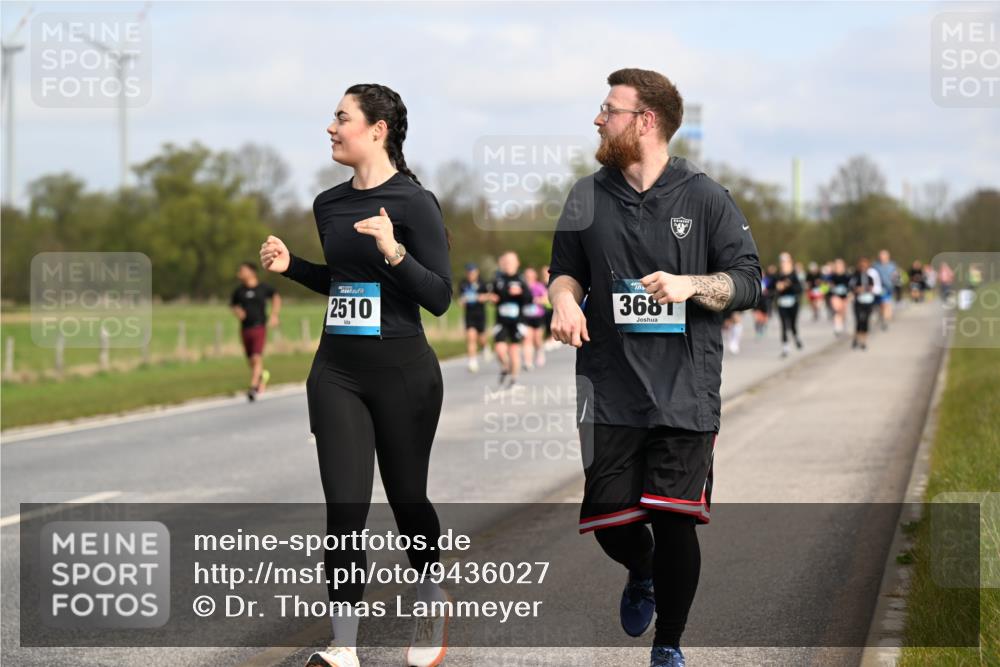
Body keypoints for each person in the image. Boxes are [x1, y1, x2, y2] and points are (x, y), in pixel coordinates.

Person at [548, 68, 761, 667]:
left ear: (645, 121)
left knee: (674, 524)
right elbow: (563, 270)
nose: (597, 118)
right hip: (610, 388)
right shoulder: (586, 195)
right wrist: (565, 298)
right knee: (610, 522)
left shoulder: (706, 196)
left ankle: (668, 645)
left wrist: (690, 283)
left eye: (608, 109)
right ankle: (639, 571)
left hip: (683, 391)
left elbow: (748, 282)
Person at [260, 83, 452, 667]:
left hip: (403, 373)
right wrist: (293, 267)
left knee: (407, 499)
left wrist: (395, 250)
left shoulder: (415, 204)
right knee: (344, 509)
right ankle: (344, 647)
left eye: (341, 118)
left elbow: (440, 298)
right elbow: (343, 282)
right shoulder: (327, 205)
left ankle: (429, 596)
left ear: (377, 130)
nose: (330, 128)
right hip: (337, 371)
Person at [230, 261, 280, 401]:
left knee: (256, 357)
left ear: (252, 272)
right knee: (250, 359)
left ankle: (253, 387)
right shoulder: (239, 291)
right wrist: (238, 311)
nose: (239, 273)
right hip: (245, 328)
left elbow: (275, 296)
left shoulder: (263, 288)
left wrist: (274, 315)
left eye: (242, 270)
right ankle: (262, 376)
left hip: (259, 327)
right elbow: (233, 305)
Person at [490, 251, 531, 387]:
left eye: (511, 263)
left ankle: (514, 379)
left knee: (514, 350)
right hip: (501, 321)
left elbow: (529, 298)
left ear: (517, 264)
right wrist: (493, 299)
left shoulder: (521, 280)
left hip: (517, 321)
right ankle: (506, 367)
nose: (508, 265)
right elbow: (493, 297)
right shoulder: (498, 279)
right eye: (506, 262)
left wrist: (520, 293)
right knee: (499, 350)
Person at [458, 262, 490, 372]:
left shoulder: (483, 283)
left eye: (473, 272)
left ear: (477, 272)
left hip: (480, 314)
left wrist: (481, 297)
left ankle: (485, 347)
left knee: (482, 338)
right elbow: (460, 299)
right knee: (471, 337)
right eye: (469, 272)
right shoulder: (463, 284)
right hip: (469, 315)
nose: (471, 274)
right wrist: (462, 301)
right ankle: (472, 361)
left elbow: (489, 296)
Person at [774, 252, 803, 357]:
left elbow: (799, 289)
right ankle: (785, 348)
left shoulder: (794, 275)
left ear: (790, 263)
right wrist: (778, 287)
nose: (784, 264)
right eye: (782, 262)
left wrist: (789, 285)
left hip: (793, 303)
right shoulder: (778, 275)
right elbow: (773, 288)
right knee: (784, 325)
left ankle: (796, 337)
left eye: (786, 262)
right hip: (782, 303)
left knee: (792, 324)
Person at [849, 256, 883, 350]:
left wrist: (866, 289)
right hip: (858, 301)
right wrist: (857, 290)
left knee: (866, 321)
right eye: (861, 266)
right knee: (859, 321)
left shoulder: (870, 277)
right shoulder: (855, 277)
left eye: (865, 265)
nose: (863, 267)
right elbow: (851, 287)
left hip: (868, 301)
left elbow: (873, 288)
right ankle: (856, 338)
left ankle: (863, 341)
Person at [522, 267, 549, 369]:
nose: (528, 277)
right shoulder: (522, 287)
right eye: (527, 275)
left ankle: (539, 352)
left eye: (530, 275)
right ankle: (528, 362)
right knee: (527, 339)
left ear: (534, 276)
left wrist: (538, 300)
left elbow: (547, 299)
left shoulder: (539, 286)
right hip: (526, 317)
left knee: (537, 339)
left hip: (538, 316)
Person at [872, 249, 898, 331]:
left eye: (884, 256)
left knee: (885, 304)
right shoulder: (875, 265)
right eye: (881, 256)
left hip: (888, 288)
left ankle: (885, 320)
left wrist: (895, 279)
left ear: (888, 257)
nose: (882, 257)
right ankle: (882, 317)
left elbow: (895, 275)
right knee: (880, 306)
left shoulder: (892, 265)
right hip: (878, 288)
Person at [828, 258, 851, 337]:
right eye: (837, 265)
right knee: (837, 310)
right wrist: (828, 288)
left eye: (840, 265)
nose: (838, 267)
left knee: (843, 312)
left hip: (844, 296)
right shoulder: (832, 276)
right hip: (835, 296)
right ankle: (837, 327)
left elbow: (850, 286)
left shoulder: (847, 275)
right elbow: (825, 286)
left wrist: (850, 293)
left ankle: (843, 326)